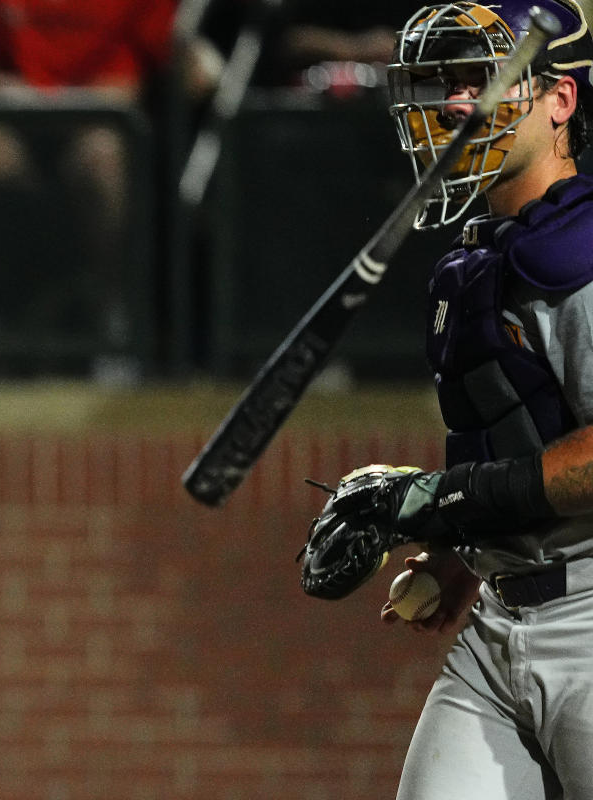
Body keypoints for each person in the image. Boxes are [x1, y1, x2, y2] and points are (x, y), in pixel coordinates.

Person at [307, 1, 593, 797]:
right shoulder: (479, 260)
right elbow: (517, 428)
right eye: (446, 83)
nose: (457, 102)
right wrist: (459, 550)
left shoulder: (583, 252)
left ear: (560, 100)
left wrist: (440, 498)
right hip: (503, 619)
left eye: (485, 79)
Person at [0, 0, 177, 382]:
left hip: (98, 126)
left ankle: (116, 321)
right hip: (19, 128)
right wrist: (19, 96)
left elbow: (153, 67)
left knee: (105, 158)